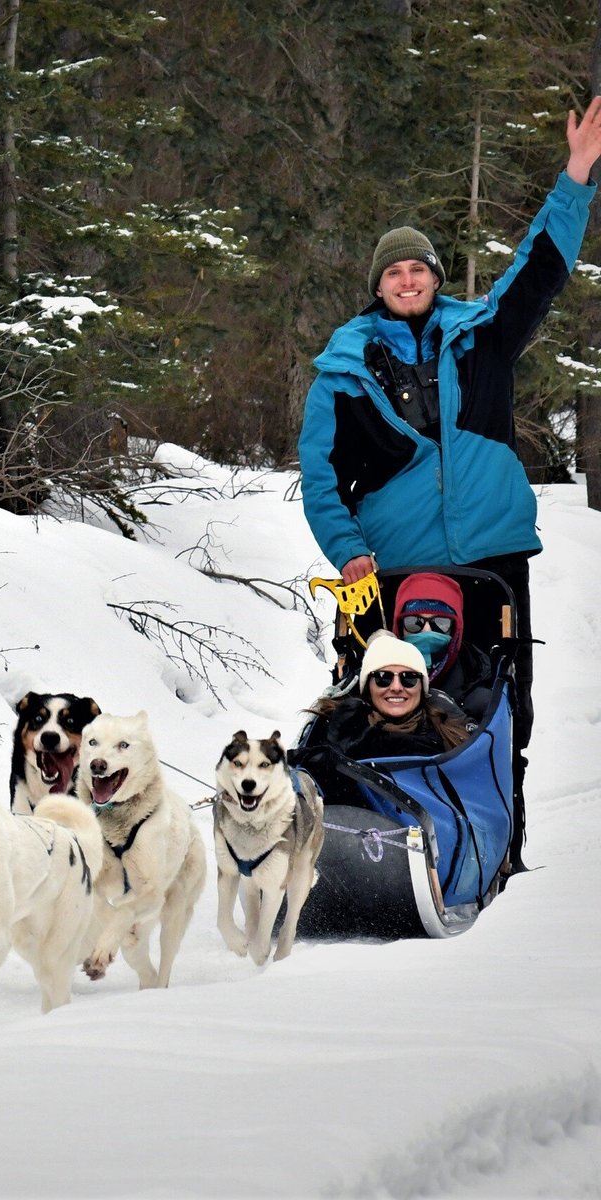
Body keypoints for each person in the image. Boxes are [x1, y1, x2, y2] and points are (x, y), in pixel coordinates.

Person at [298, 97, 601, 871]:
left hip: (492, 557)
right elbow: (321, 475)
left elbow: (540, 269)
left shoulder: (483, 337)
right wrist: (349, 552)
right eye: (393, 271)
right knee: (383, 703)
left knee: (505, 706)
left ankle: (501, 850)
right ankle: (367, 842)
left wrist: (575, 178)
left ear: (434, 277)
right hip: (389, 565)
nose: (407, 278)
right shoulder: (343, 369)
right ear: (379, 285)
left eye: (418, 268)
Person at [311, 632, 470, 763]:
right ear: (368, 687)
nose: (396, 687)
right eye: (383, 678)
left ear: (422, 688)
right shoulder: (334, 729)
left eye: (409, 678)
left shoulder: (452, 736)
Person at [393, 572, 492, 723]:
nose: (427, 631)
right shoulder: (379, 678)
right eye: (414, 623)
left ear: (455, 629)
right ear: (399, 627)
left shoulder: (474, 680)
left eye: (440, 624)